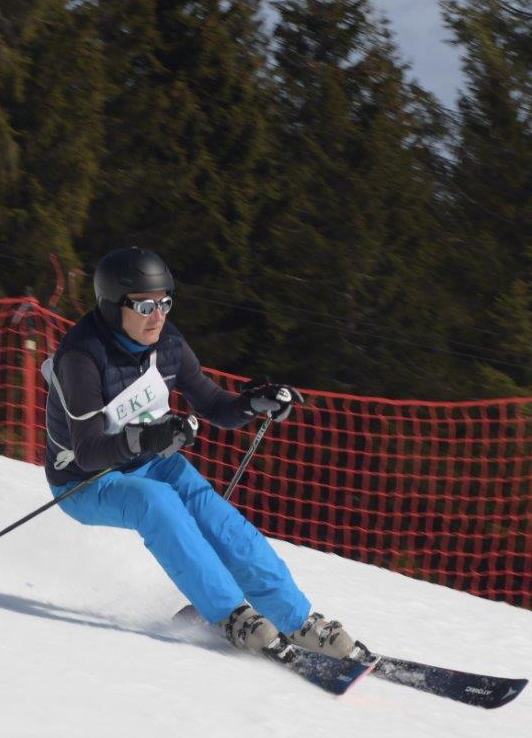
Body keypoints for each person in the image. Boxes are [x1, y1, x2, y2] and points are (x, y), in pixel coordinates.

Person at [42, 246, 358, 660]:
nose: (158, 316)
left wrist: (253, 403)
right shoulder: (81, 359)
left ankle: (296, 619)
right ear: (112, 306)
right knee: (156, 503)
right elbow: (87, 452)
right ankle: (231, 616)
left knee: (221, 521)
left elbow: (214, 405)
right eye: (145, 306)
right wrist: (146, 439)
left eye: (165, 303)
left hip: (150, 460)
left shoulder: (168, 344)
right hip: (85, 481)